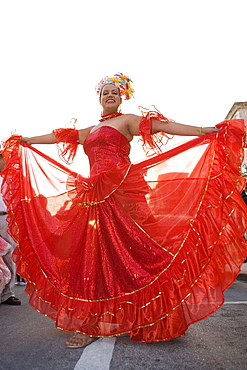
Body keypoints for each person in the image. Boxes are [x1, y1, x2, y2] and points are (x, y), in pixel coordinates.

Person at [1, 73, 247, 348]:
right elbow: (58, 136)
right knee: (96, 255)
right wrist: (26, 141)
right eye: (105, 92)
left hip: (123, 190)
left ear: (121, 98)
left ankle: (153, 315)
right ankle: (94, 322)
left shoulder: (126, 120)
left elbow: (163, 126)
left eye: (115, 93)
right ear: (99, 98)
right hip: (94, 195)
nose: (110, 95)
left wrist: (204, 131)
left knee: (137, 249)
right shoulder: (90, 130)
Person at [0, 152, 21, 305]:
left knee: (9, 256)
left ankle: (7, 294)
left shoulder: (6, 178)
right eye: (3, 159)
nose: (5, 162)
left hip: (4, 219)